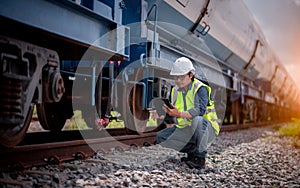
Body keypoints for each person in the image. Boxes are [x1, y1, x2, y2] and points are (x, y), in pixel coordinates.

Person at [156, 57, 220, 169]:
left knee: (197, 120)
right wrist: (163, 115)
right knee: (161, 137)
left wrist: (179, 114)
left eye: (181, 77)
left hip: (206, 129)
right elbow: (172, 115)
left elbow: (200, 111)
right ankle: (193, 152)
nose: (178, 80)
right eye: (176, 77)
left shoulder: (200, 88)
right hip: (187, 129)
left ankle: (200, 158)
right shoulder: (175, 91)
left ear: (191, 75)